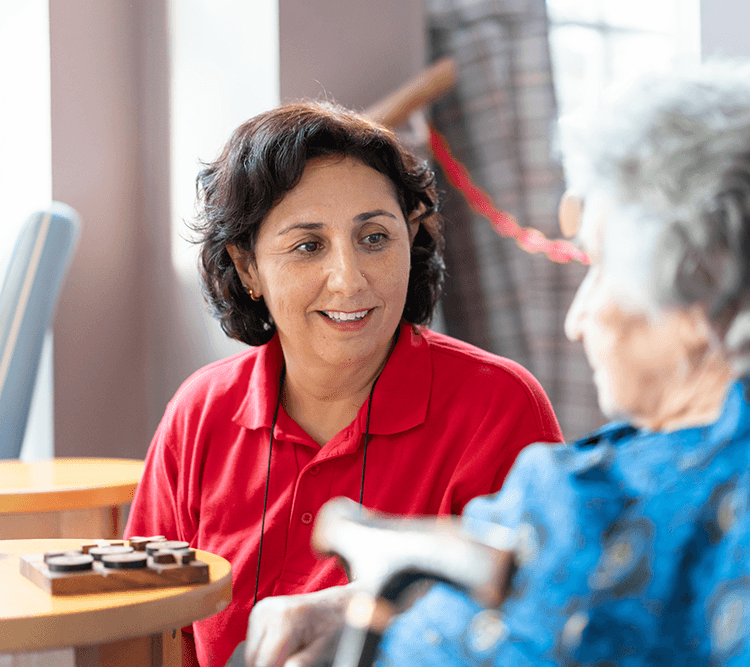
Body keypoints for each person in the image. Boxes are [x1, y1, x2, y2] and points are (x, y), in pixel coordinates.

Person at [241, 58, 750, 666]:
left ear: (701, 289)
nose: (576, 322)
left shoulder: (606, 520)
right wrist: (364, 600)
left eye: (598, 268)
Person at [125, 101, 563, 667]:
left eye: (375, 238)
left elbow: (535, 627)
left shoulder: (498, 405)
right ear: (248, 265)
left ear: (410, 238)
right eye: (309, 246)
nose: (349, 279)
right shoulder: (200, 412)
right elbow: (150, 628)